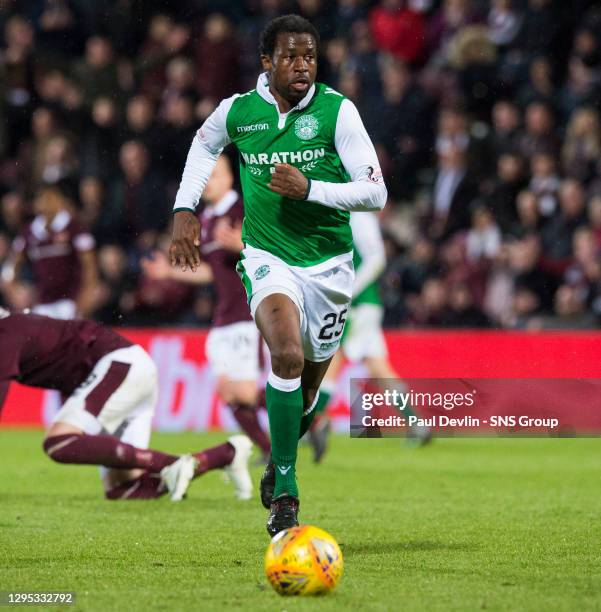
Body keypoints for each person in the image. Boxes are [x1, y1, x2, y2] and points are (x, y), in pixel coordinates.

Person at [169, 14, 387, 535]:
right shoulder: (238, 112)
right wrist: (184, 208)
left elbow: (375, 193)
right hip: (268, 257)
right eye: (290, 56)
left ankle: (278, 457)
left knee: (308, 391)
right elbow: (203, 147)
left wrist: (311, 187)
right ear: (267, 62)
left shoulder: (339, 111)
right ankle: (287, 493)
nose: (302, 66)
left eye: (309, 56)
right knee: (285, 354)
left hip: (331, 265)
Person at [0, 308, 252, 502]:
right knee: (125, 489)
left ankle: (171, 463)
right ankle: (224, 455)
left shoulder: (5, 333)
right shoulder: (12, 326)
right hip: (126, 370)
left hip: (119, 366)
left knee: (59, 442)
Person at [142, 154, 271, 460]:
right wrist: (170, 272)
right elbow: (213, 271)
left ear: (228, 178)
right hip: (223, 314)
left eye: (213, 176)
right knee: (227, 391)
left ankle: (310, 416)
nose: (207, 183)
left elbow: (273, 253)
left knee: (243, 392)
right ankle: (268, 451)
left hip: (247, 311)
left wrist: (243, 246)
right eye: (205, 177)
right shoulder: (207, 219)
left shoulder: (244, 209)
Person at [310, 212, 432, 461]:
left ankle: (310, 424)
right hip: (365, 304)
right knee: (377, 366)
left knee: (332, 358)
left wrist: (348, 293)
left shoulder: (357, 213)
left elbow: (376, 259)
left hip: (357, 305)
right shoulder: (345, 210)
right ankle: (416, 423)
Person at [1, 179, 98, 319]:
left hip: (70, 303)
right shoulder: (29, 231)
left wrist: (86, 297)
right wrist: (13, 290)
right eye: (40, 198)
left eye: (50, 197)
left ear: (59, 199)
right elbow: (11, 266)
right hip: (41, 305)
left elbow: (90, 266)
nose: (45, 203)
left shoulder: (75, 227)